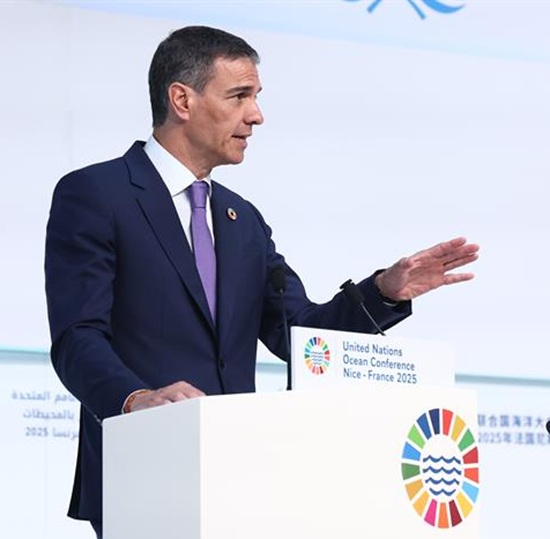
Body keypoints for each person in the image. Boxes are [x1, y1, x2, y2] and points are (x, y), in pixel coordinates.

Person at [44, 26, 479, 538]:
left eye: (256, 97)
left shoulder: (242, 219)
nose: (256, 115)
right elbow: (77, 338)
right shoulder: (97, 194)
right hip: (142, 472)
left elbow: (300, 334)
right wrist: (135, 400)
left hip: (240, 476)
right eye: (239, 96)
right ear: (182, 100)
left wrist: (383, 291)